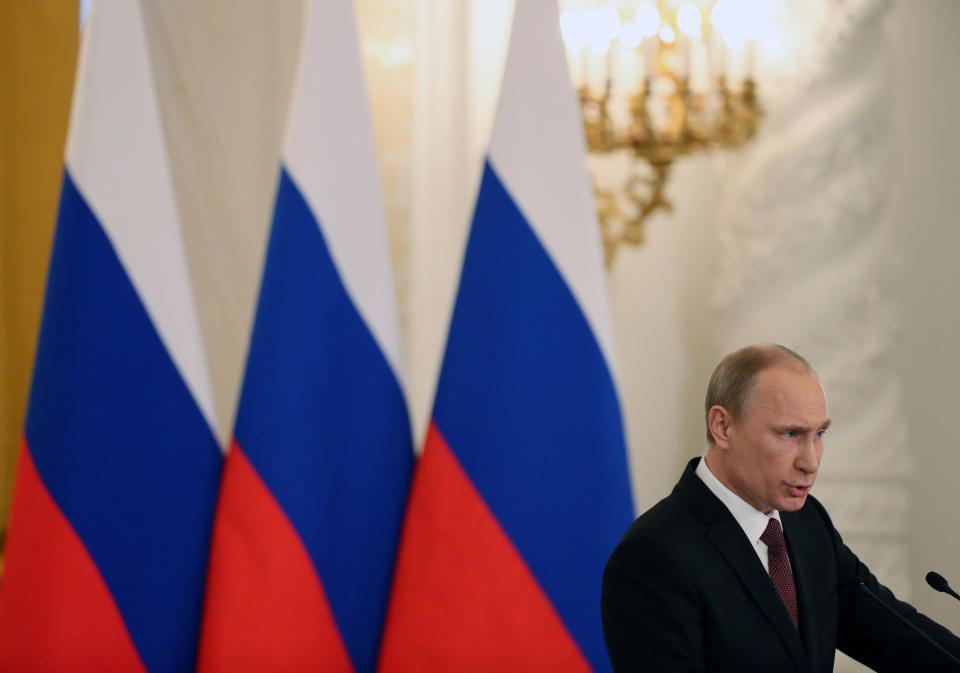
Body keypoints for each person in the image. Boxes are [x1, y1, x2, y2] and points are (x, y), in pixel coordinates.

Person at [601, 344, 960, 672]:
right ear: (723, 426)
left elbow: (897, 634)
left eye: (819, 434)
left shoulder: (807, 523)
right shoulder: (654, 555)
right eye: (790, 434)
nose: (810, 462)